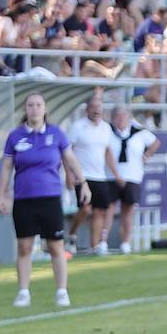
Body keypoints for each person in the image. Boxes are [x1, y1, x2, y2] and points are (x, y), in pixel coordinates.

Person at [0, 93, 90, 308]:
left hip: (50, 197)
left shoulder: (56, 134)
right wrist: (1, 195)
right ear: (25, 109)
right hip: (24, 199)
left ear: (45, 109)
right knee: (24, 247)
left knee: (56, 246)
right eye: (30, 105)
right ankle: (23, 292)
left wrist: (83, 182)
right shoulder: (15, 136)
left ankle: (62, 291)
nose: (34, 109)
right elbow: (6, 168)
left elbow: (70, 159)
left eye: (38, 105)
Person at [65, 96, 116, 254]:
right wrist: (69, 174)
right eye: (93, 107)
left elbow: (107, 152)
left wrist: (115, 173)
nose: (96, 110)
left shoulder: (106, 128)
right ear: (87, 109)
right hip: (83, 176)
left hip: (100, 176)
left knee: (100, 211)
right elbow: (67, 152)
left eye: (99, 107)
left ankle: (95, 246)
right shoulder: (78, 127)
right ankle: (72, 234)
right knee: (85, 209)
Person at [106, 105, 159, 254]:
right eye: (117, 116)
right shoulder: (107, 132)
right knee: (108, 209)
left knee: (128, 210)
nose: (120, 119)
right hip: (111, 177)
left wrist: (147, 155)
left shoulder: (139, 132)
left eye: (123, 116)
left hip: (133, 176)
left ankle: (125, 243)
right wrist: (116, 175)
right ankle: (102, 242)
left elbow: (155, 142)